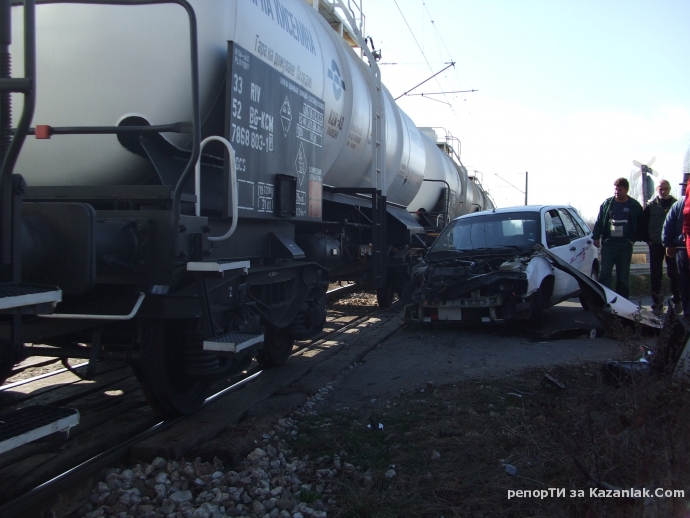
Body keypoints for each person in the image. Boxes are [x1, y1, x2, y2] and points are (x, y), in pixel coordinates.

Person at [592, 177, 644, 299]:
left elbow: (641, 225)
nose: (617, 192)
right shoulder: (607, 204)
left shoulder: (634, 205)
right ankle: (605, 300)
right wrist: (596, 237)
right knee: (605, 274)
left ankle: (622, 303)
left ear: (626, 190)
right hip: (609, 244)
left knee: (623, 277)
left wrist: (632, 240)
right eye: (615, 189)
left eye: (619, 190)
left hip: (625, 245)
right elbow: (599, 221)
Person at [639, 179, 681, 315]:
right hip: (656, 244)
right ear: (657, 190)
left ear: (669, 189)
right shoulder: (651, 206)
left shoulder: (676, 205)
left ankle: (677, 300)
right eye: (660, 189)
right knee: (656, 275)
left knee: (674, 273)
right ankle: (657, 304)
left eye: (665, 189)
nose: (663, 191)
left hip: (672, 245)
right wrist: (648, 240)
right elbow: (643, 225)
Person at [663, 181, 689, 317]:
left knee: (684, 280)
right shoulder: (680, 204)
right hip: (683, 246)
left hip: (681, 246)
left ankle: (687, 311)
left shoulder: (678, 204)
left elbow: (668, 224)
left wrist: (668, 243)